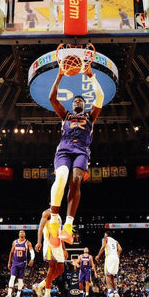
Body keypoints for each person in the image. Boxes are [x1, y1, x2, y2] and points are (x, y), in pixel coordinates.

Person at [46, 63, 104, 246]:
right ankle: (54, 219)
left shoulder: (90, 117)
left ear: (85, 105)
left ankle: (68, 225)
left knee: (76, 181)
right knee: (61, 177)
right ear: (72, 105)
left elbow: (100, 96)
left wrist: (91, 75)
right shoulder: (65, 116)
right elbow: (52, 98)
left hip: (81, 151)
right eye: (75, 101)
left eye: (81, 101)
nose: (78, 101)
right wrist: (60, 75)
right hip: (64, 149)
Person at [33, 209, 67, 297]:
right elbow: (40, 227)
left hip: (59, 244)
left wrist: (64, 248)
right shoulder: (46, 213)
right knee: (52, 267)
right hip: (49, 243)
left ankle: (40, 285)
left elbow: (60, 233)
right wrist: (39, 242)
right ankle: (47, 295)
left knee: (61, 269)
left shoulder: (59, 216)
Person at [6, 230, 34, 297]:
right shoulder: (15, 242)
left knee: (20, 279)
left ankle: (18, 296)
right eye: (20, 233)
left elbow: (31, 251)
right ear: (18, 234)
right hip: (15, 262)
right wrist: (9, 262)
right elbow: (11, 253)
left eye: (23, 233)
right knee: (12, 277)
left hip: (23, 263)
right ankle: (9, 294)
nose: (21, 233)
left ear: (25, 234)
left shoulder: (27, 243)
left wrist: (32, 259)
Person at [95, 231, 122, 297]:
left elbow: (103, 246)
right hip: (116, 257)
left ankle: (110, 293)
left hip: (109, 257)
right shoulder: (115, 241)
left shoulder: (105, 239)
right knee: (112, 276)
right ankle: (115, 293)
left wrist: (98, 255)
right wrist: (116, 255)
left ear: (106, 235)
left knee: (107, 275)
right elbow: (120, 250)